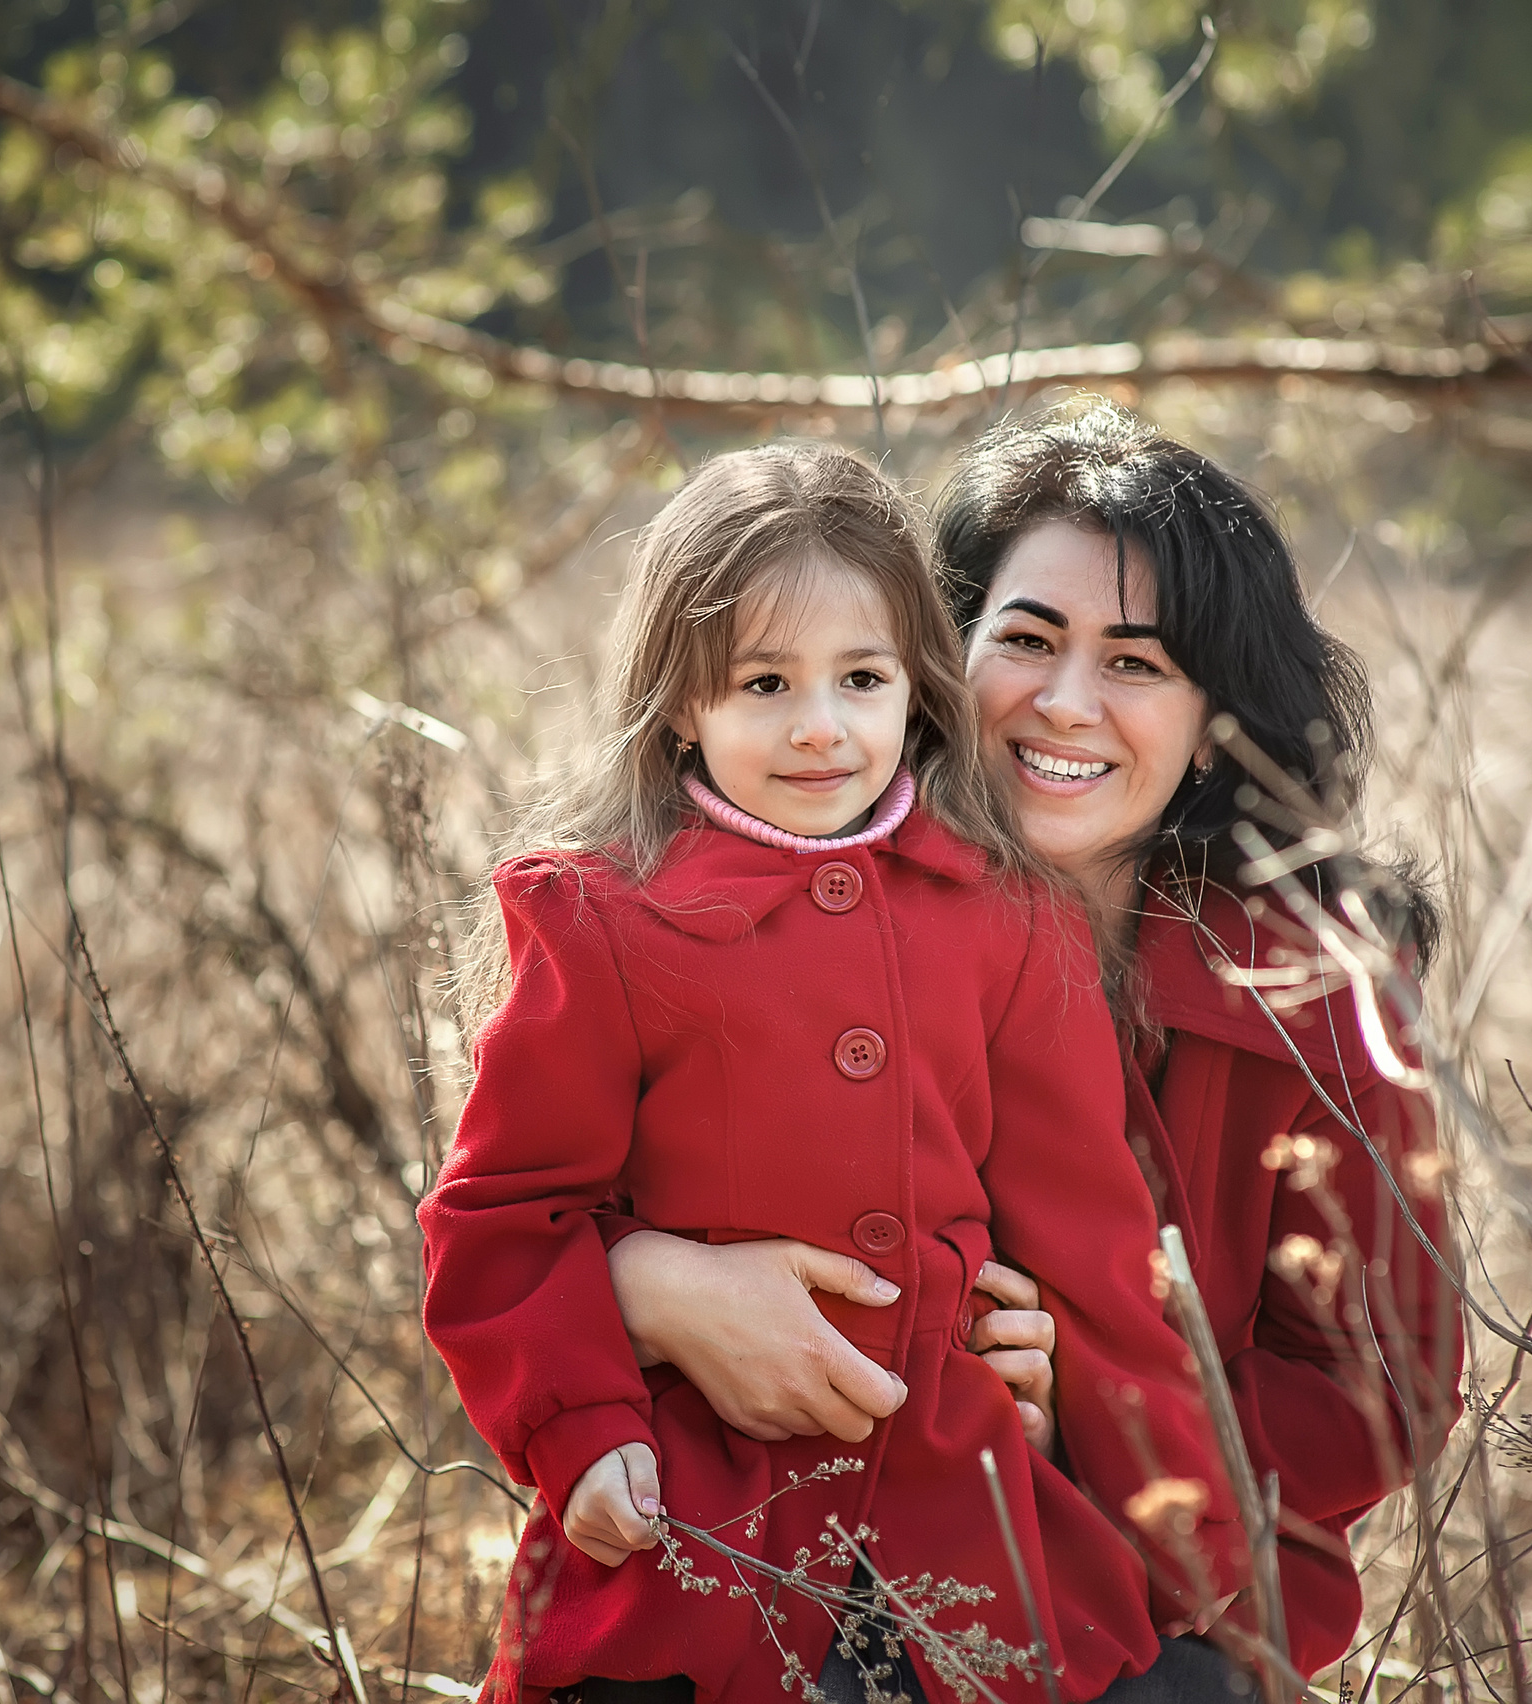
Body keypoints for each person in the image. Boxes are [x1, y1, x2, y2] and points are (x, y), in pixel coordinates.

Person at [608, 403, 1461, 1682]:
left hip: (1166, 1602)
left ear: (1213, 712)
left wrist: (1098, 1419)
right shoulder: (743, 901)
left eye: (1137, 662)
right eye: (1025, 639)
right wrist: (651, 1288)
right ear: (933, 655)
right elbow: (522, 1219)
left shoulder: (1314, 997)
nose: (1066, 705)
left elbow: (1377, 1393)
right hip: (770, 1546)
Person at [418, 440, 1244, 1704]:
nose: (819, 727)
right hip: (702, 1520)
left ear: (915, 690)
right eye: (763, 683)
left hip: (968, 1520)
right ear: (683, 703)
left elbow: (1095, 1249)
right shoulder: (602, 919)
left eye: (860, 678)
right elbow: (505, 1219)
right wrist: (582, 1435)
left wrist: (1181, 1535)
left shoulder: (1007, 920)